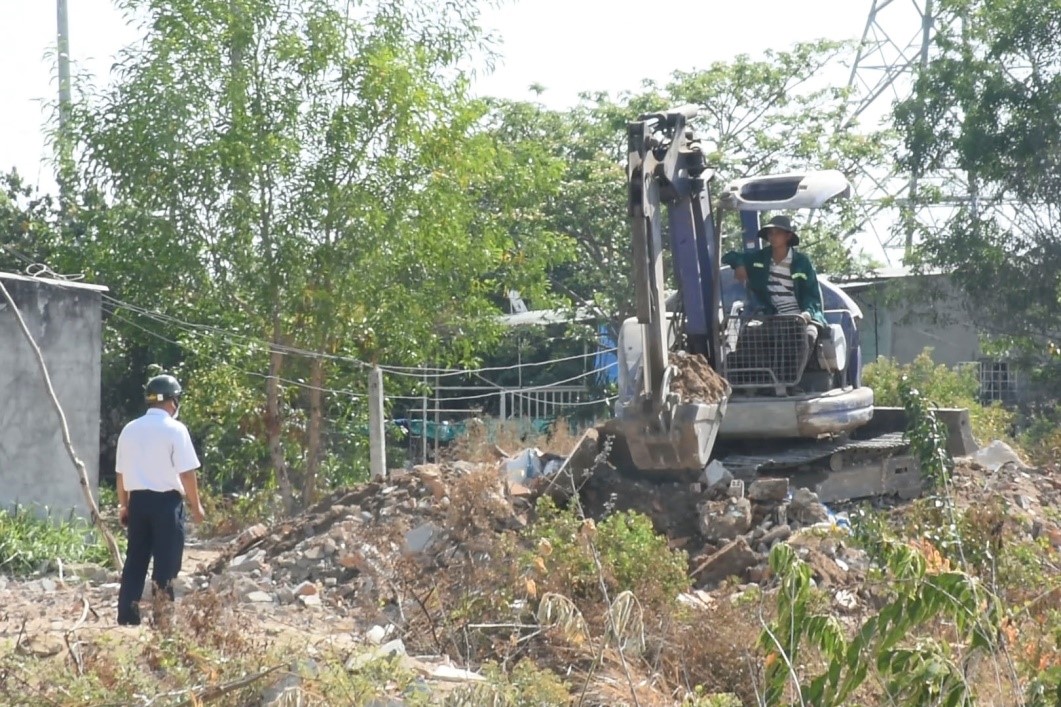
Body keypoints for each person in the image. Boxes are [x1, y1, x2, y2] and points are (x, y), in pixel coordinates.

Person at [115, 373, 205, 626]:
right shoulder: (175, 429)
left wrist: (124, 505)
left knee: (135, 562)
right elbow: (187, 472)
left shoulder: (129, 429)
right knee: (166, 564)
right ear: (172, 401)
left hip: (138, 504)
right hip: (166, 504)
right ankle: (163, 620)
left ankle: (127, 618)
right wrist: (196, 507)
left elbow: (121, 474)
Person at [722, 214, 827, 346]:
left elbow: (811, 294)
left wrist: (807, 313)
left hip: (801, 317)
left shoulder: (802, 262)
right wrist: (739, 264)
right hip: (774, 318)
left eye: (777, 233)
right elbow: (729, 256)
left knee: (808, 337)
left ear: (788, 236)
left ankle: (796, 367)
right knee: (748, 340)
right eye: (770, 233)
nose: (773, 236)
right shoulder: (760, 258)